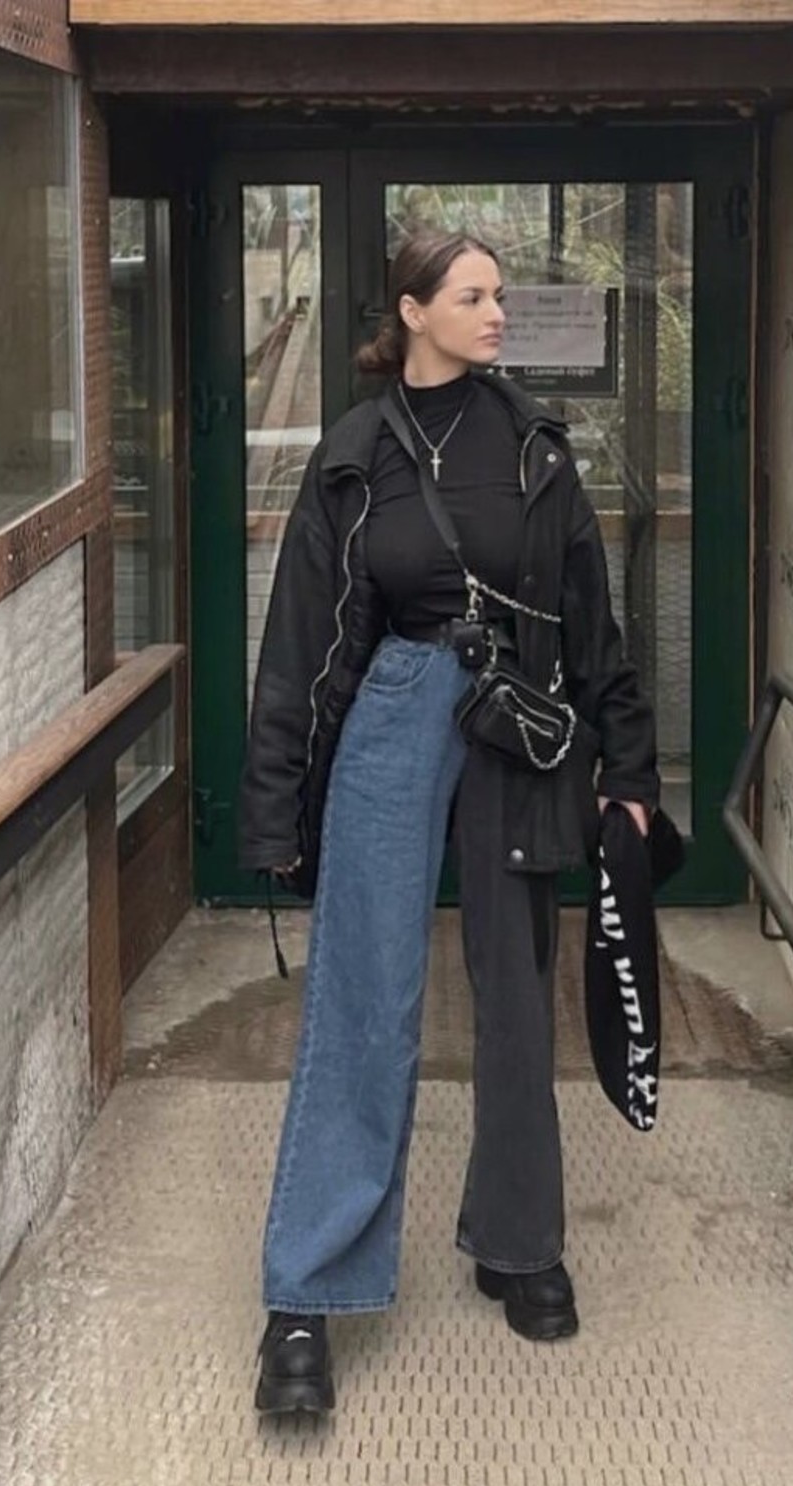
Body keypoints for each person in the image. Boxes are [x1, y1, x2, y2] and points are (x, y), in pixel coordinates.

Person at [239, 229, 658, 1415]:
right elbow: (302, 645)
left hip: (515, 724)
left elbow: (592, 623)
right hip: (394, 713)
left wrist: (629, 765)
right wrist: (277, 805)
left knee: (516, 988)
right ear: (413, 311)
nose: (496, 312)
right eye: (472, 295)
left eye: (500, 295)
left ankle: (519, 1244)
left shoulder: (537, 447)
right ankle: (307, 1289)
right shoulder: (354, 455)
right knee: (364, 996)